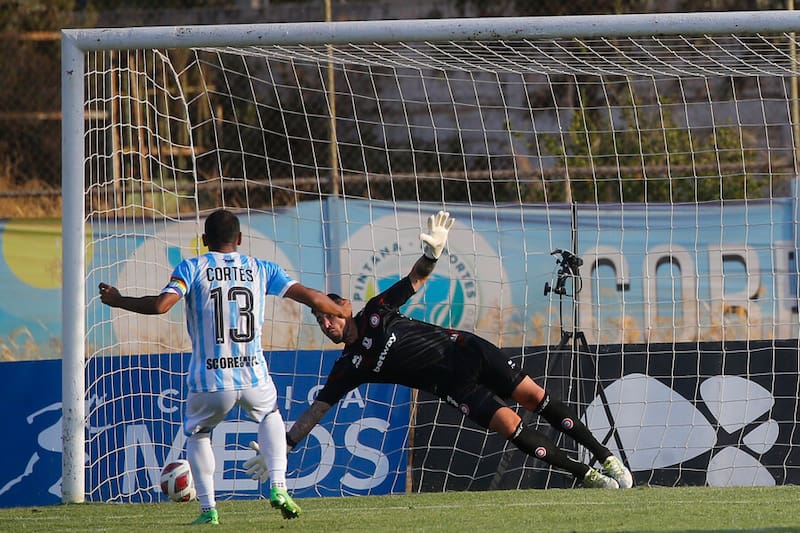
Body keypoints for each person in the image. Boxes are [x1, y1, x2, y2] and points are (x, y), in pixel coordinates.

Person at [249, 210, 632, 491]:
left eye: (328, 315)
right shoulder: (349, 367)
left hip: (468, 351)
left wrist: (432, 254)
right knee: (510, 427)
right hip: (453, 388)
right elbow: (315, 412)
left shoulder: (377, 311)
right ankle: (586, 476)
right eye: (320, 322)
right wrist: (281, 449)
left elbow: (416, 278)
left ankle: (604, 456)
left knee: (535, 399)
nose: (326, 324)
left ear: (344, 307)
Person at [99, 208, 351, 525]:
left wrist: (119, 300)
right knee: (270, 415)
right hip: (252, 373)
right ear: (240, 239)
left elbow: (161, 306)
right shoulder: (261, 268)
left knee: (198, 434)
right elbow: (313, 298)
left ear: (205, 240)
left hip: (209, 378)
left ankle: (209, 510)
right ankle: (278, 487)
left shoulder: (192, 267)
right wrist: (343, 312)